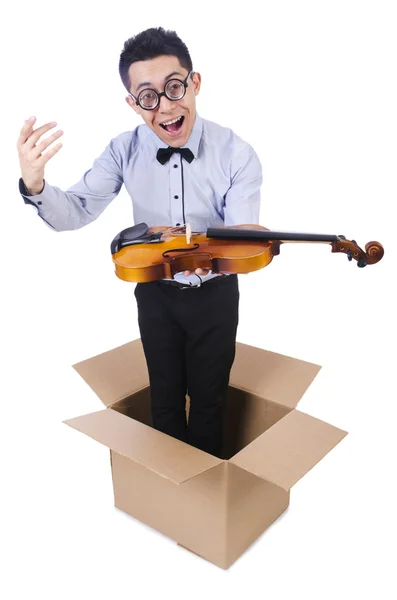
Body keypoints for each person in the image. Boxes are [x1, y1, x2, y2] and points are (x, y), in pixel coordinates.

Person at [16, 27, 263, 458]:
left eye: (173, 87)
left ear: (195, 83)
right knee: (163, 399)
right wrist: (35, 185)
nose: (165, 106)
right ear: (134, 104)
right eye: (148, 96)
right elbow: (75, 211)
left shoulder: (236, 153)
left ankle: (205, 499)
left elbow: (240, 237)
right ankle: (167, 489)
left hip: (216, 297)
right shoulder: (121, 151)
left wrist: (213, 256)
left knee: (209, 401)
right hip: (154, 292)